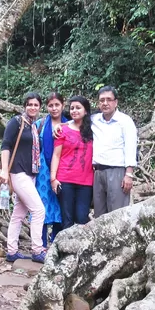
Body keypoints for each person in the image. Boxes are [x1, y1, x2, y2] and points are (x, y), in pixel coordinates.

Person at [0, 93, 46, 263]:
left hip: (30, 173)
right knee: (39, 210)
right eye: (29, 104)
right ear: (24, 106)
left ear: (40, 107)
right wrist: (5, 170)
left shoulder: (34, 126)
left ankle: (12, 251)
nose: (32, 107)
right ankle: (37, 250)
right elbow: (5, 145)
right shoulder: (16, 122)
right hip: (18, 173)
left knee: (19, 213)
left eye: (36, 105)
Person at [91, 85, 137, 217]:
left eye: (109, 100)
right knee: (99, 214)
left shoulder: (125, 121)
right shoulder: (94, 120)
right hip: (98, 172)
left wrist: (129, 174)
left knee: (117, 213)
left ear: (115, 102)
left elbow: (130, 147)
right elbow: (75, 122)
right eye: (101, 100)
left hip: (117, 172)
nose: (105, 103)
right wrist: (60, 126)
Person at [50, 96, 94, 230]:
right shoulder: (63, 130)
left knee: (82, 218)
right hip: (65, 179)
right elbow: (56, 155)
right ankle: (66, 250)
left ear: (86, 111)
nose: (74, 111)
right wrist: (53, 178)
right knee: (67, 218)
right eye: (72, 108)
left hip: (86, 181)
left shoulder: (93, 130)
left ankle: (80, 250)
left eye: (78, 108)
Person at [34, 92, 67, 248]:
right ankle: (40, 244)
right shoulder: (40, 124)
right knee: (41, 205)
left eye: (57, 105)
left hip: (64, 169)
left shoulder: (70, 124)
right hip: (43, 172)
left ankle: (57, 243)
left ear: (63, 105)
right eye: (51, 105)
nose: (54, 108)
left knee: (60, 205)